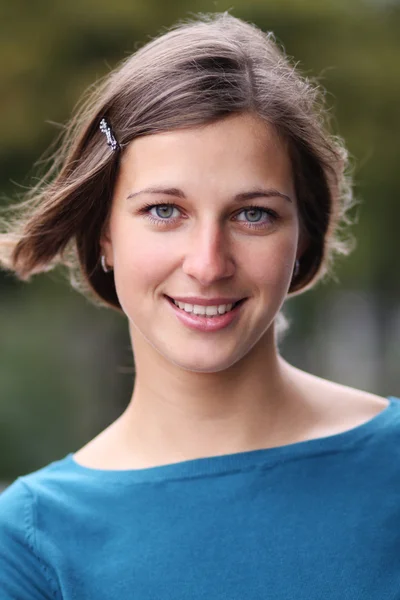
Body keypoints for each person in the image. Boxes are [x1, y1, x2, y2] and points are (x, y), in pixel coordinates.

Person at [0, 11, 398, 599]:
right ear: (104, 232)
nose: (208, 264)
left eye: (253, 214)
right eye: (164, 211)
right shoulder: (30, 542)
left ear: (303, 236)